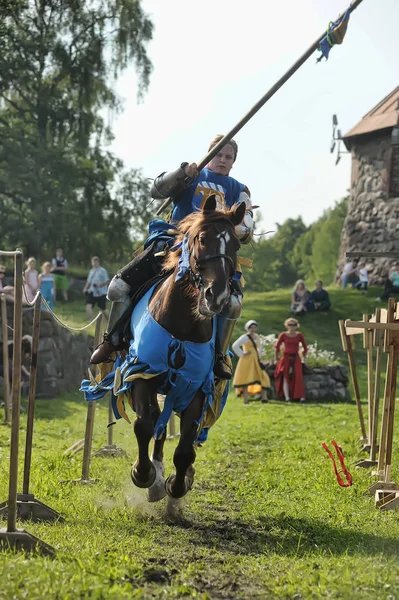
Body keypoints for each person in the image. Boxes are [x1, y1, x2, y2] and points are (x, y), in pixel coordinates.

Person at [90, 134, 255, 381]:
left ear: (234, 161)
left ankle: (219, 356)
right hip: (174, 242)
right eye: (218, 154)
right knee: (118, 287)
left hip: (211, 253)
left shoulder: (238, 189)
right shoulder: (193, 174)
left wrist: (230, 226)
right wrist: (181, 173)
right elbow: (156, 190)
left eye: (228, 157)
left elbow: (247, 230)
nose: (222, 160)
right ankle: (112, 339)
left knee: (232, 303)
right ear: (209, 155)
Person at [232, 320, 271, 404]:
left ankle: (264, 397)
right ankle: (246, 399)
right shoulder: (245, 337)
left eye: (254, 327)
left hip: (255, 360)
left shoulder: (257, 336)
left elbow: (259, 348)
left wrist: (260, 356)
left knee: (263, 376)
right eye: (251, 327)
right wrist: (242, 353)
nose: (253, 329)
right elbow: (235, 345)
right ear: (248, 328)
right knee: (246, 378)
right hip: (246, 360)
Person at [274, 318, 308, 402]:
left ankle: (301, 397)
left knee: (298, 376)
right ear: (287, 326)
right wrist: (276, 358)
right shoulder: (283, 335)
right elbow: (276, 347)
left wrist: (304, 358)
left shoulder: (299, 335)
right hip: (285, 357)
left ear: (296, 326)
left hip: (296, 357)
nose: (292, 327)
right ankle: (287, 397)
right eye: (290, 325)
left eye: (293, 325)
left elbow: (305, 347)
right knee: (285, 376)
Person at [83, 257, 110, 321]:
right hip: (92, 291)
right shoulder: (91, 271)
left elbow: (107, 281)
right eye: (93, 262)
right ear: (92, 263)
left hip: (101, 292)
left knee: (103, 309)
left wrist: (99, 286)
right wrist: (85, 289)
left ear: (98, 262)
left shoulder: (103, 270)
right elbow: (88, 281)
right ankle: (90, 321)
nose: (95, 263)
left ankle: (110, 321)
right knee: (88, 305)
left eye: (96, 262)